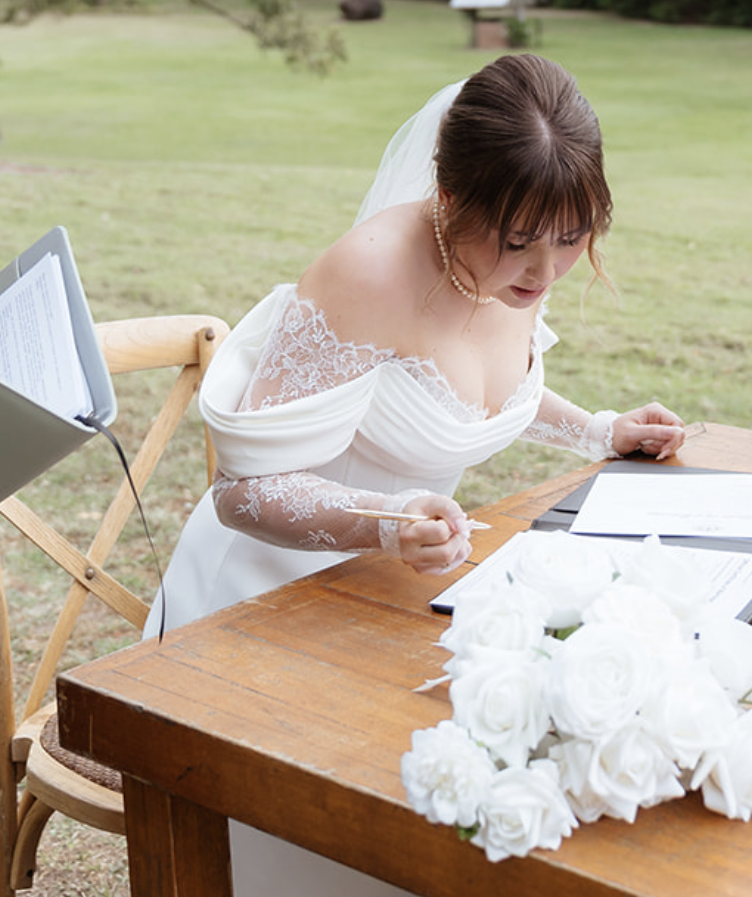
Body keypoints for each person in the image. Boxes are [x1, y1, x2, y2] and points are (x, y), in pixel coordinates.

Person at [155, 51, 685, 894]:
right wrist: (386, 518)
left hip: (397, 598)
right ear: (448, 201)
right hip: (265, 604)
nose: (545, 272)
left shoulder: (515, 261)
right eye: (519, 243)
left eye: (573, 237)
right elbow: (241, 493)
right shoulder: (367, 273)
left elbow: (473, 388)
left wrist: (596, 430)